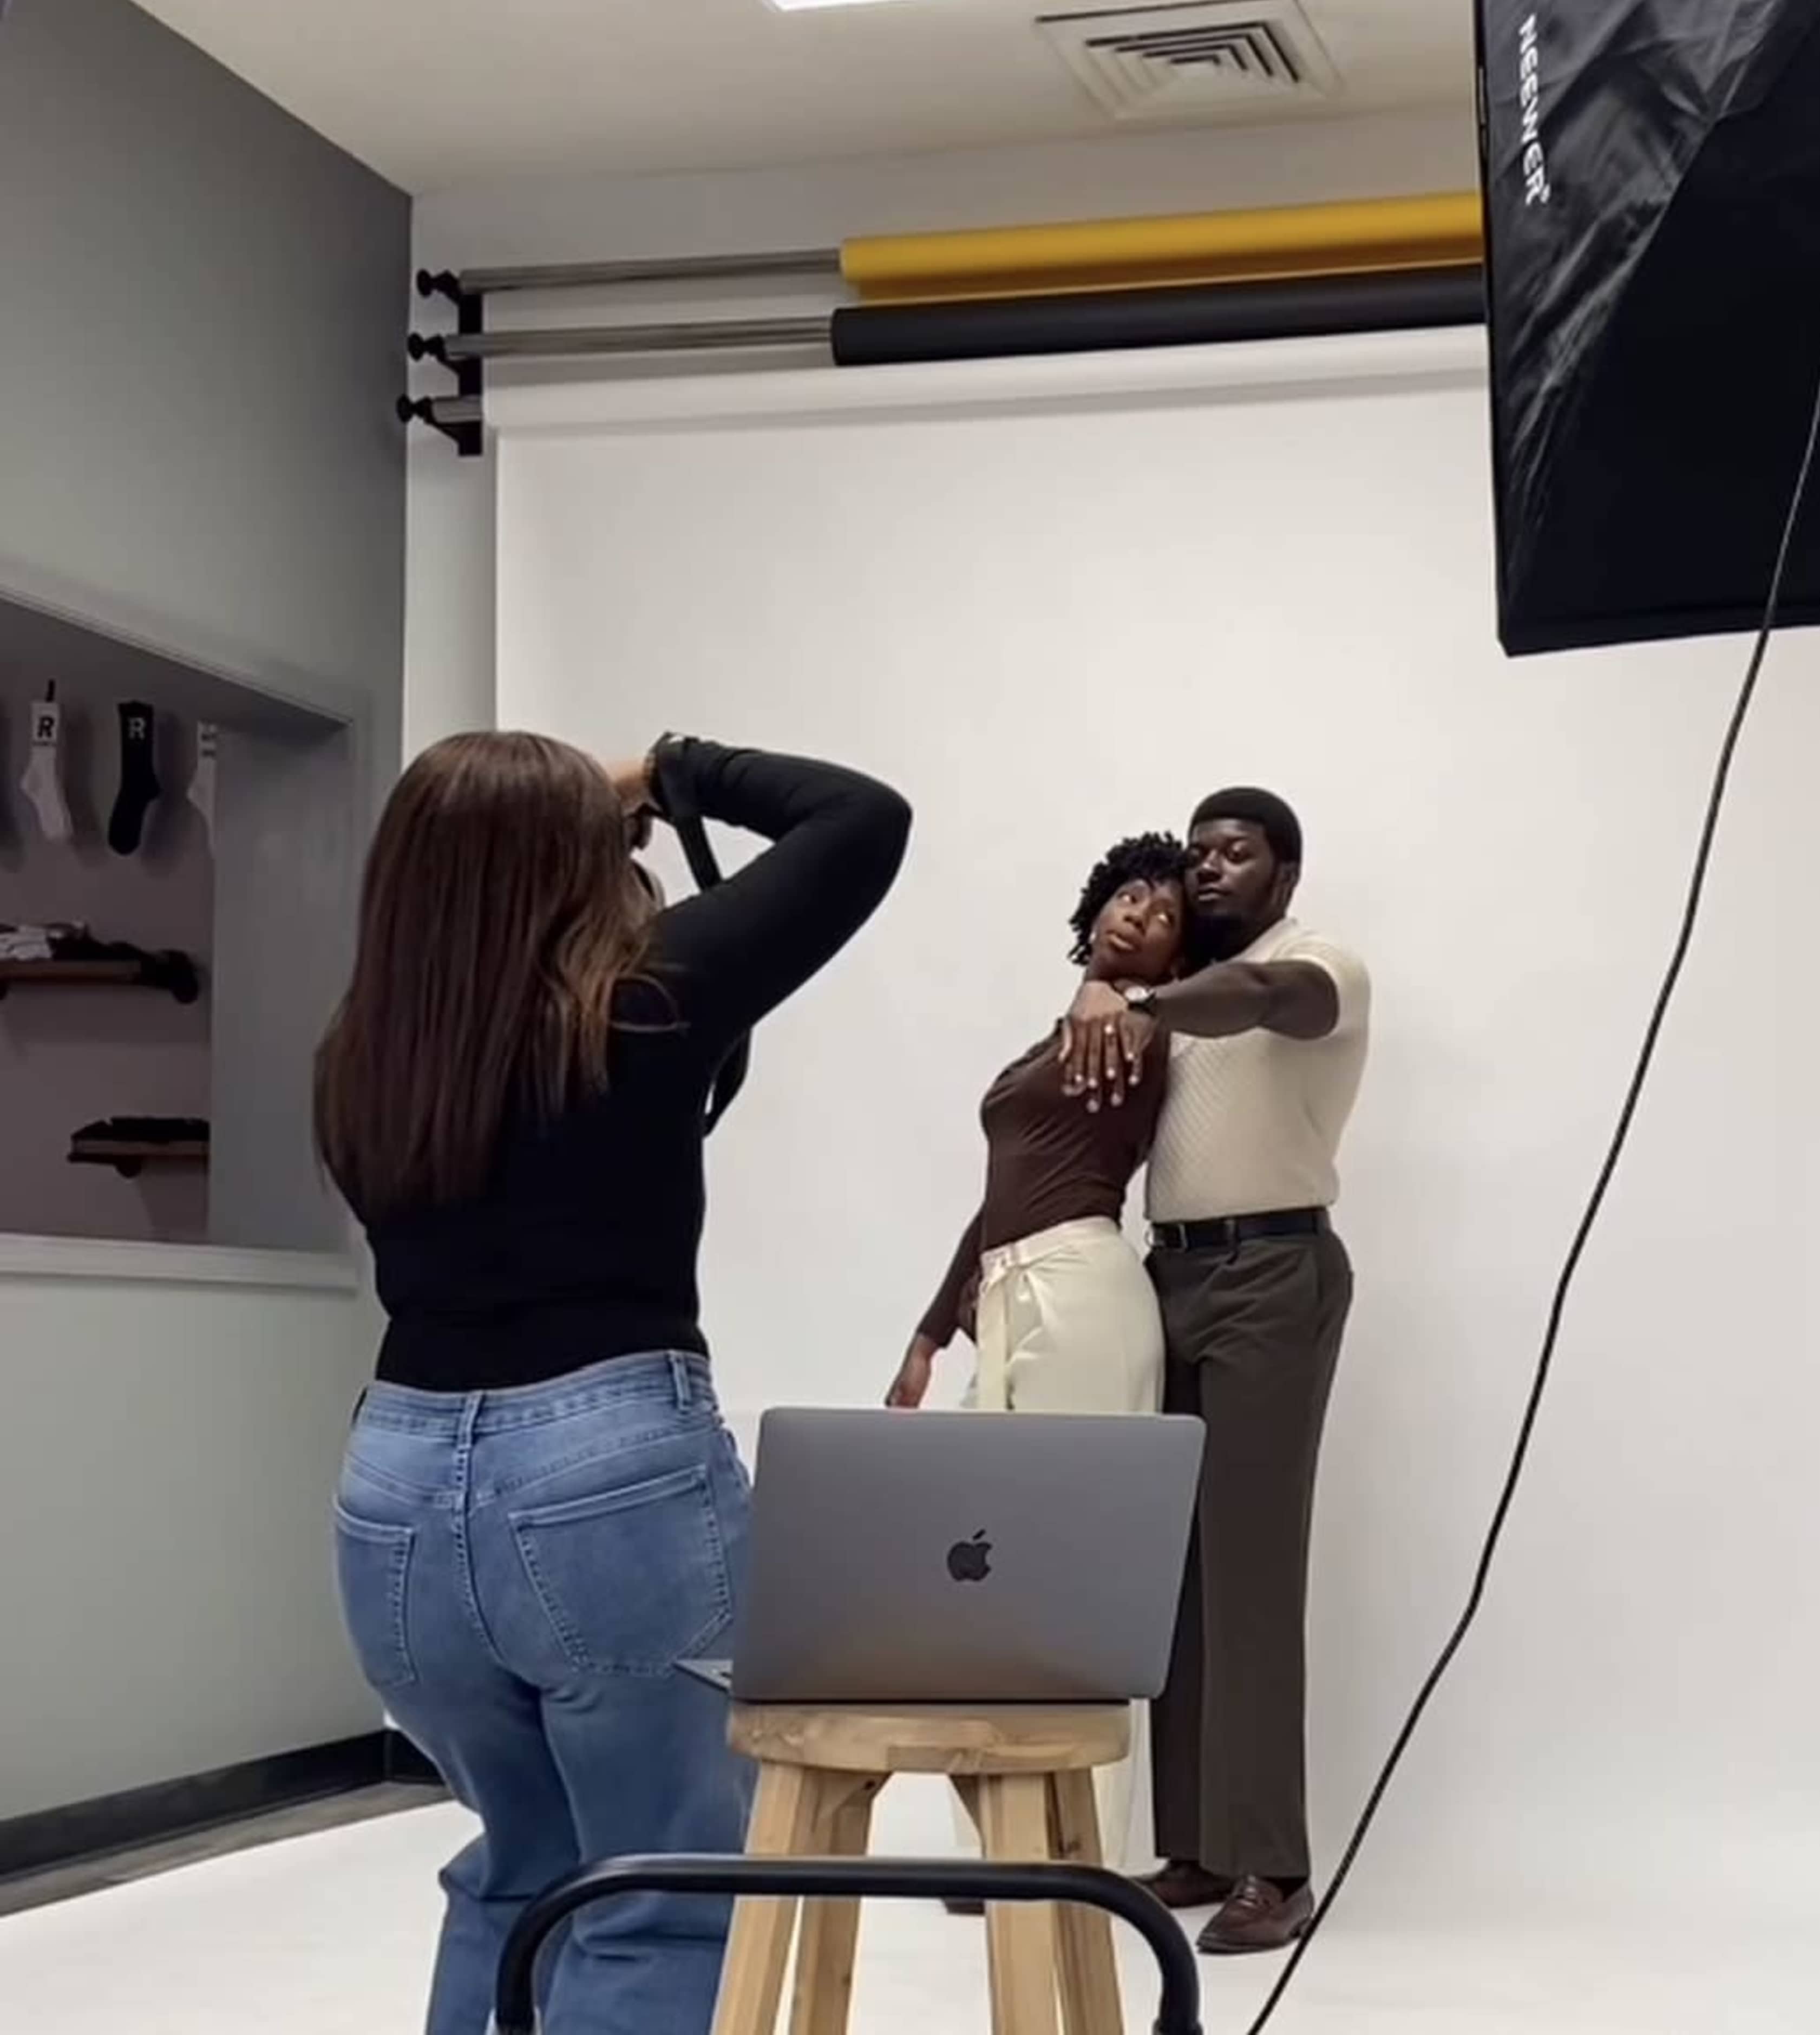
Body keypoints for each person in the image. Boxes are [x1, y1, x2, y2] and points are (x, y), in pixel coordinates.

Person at [316, 730, 908, 2035]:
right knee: (661, 1892)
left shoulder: (364, 1058)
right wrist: (666, 772)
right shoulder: (648, 998)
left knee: (511, 1877)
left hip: (396, 1494)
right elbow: (861, 820)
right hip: (605, 1480)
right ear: (578, 861)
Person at [1058, 788, 1367, 1957]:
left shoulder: (1310, 966)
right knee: (1175, 1573)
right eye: (1197, 855)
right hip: (1167, 1279)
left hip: (1272, 1274)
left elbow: (1263, 1001)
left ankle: (1274, 1867)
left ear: (1286, 875)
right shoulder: (1171, 1002)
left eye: (1237, 853)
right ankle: (1195, 1844)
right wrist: (1104, 984)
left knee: (1250, 1571)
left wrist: (1126, 990)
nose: (1211, 870)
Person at [887, 830, 1191, 1884]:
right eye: (1129, 896)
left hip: (1083, 1291)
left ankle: (1085, 1857)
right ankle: (1001, 1849)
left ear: (1178, 960)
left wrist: (1127, 1004)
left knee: (1077, 1576)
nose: (1139, 916)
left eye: (1164, 916)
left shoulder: (1140, 1033)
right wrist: (930, 1333)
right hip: (1011, 1294)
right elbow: (999, 1192)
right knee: (991, 1578)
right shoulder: (1058, 1035)